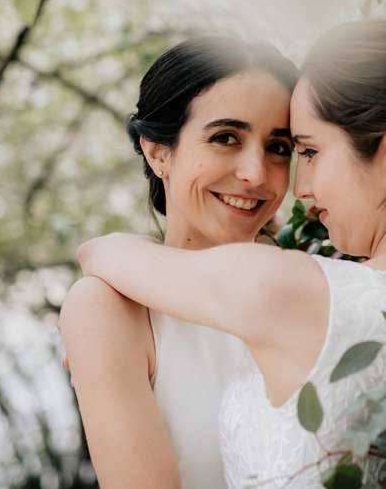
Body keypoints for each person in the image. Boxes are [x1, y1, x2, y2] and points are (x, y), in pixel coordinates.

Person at [77, 17, 386, 487]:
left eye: (291, 148)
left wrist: (101, 251)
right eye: (225, 137)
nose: (268, 176)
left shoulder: (305, 287)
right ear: (156, 151)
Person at [59, 36, 298, 488]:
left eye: (279, 147)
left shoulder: (320, 284)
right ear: (157, 152)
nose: (256, 173)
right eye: (226, 138)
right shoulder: (109, 310)